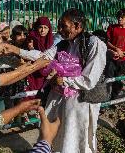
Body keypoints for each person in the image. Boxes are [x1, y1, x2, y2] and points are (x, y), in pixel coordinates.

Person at [6, 8, 107, 153]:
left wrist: (65, 80)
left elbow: (89, 79)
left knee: (75, 140)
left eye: (63, 26)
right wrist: (17, 51)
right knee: (58, 137)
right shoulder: (63, 44)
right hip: (60, 101)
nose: (59, 30)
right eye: (59, 25)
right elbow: (44, 57)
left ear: (77, 26)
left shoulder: (94, 44)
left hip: (79, 105)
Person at [25, 17, 54, 106]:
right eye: (40, 27)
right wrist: (32, 49)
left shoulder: (51, 41)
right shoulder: (32, 38)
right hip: (33, 73)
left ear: (49, 29)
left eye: (45, 28)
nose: (42, 30)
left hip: (45, 73)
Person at [105, 8, 125, 98]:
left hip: (123, 60)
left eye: (122, 17)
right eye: (118, 17)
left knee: (119, 80)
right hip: (111, 59)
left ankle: (114, 99)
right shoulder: (112, 28)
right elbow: (107, 41)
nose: (119, 19)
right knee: (108, 79)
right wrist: (116, 49)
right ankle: (106, 99)